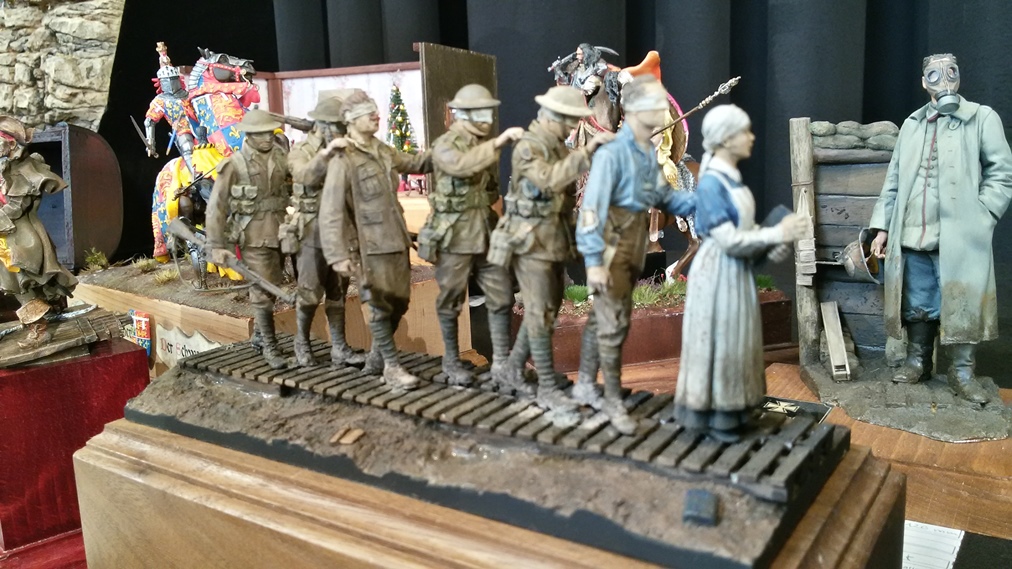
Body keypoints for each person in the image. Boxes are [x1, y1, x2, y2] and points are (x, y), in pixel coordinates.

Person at [869, 53, 1012, 404]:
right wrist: (883, 227)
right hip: (912, 234)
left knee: (962, 301)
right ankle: (918, 362)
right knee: (918, 302)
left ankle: (962, 372)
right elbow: (893, 180)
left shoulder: (981, 118)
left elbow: (1002, 173)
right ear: (924, 81)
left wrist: (983, 216)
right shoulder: (912, 124)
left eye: (950, 72)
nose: (943, 80)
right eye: (934, 74)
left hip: (960, 237)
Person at [672, 105, 807, 443]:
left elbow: (744, 232)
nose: (751, 137)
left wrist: (777, 236)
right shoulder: (711, 185)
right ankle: (718, 415)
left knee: (737, 341)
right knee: (722, 341)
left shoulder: (729, 177)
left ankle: (734, 410)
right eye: (743, 132)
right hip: (718, 274)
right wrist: (777, 233)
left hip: (735, 273)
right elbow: (728, 240)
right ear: (725, 139)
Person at [574, 75, 695, 434]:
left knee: (607, 322)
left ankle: (585, 383)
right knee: (612, 327)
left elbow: (663, 196)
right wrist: (594, 263)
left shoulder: (643, 154)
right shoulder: (612, 155)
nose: (661, 118)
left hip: (630, 253)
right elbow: (590, 212)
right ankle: (611, 399)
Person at [488, 86, 613, 406]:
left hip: (552, 240)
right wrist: (587, 153)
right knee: (539, 311)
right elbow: (548, 180)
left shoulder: (556, 146)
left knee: (546, 310)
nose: (572, 127)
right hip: (530, 241)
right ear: (552, 116)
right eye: (569, 121)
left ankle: (512, 369)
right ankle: (545, 386)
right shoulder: (530, 147)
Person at [318, 89, 432, 390]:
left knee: (400, 303)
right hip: (368, 247)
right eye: (368, 113)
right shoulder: (343, 159)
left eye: (375, 111)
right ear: (351, 120)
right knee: (380, 305)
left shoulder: (382, 150)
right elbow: (330, 211)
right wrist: (337, 254)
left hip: (396, 241)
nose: (376, 116)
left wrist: (451, 149)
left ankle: (375, 359)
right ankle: (391, 367)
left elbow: (416, 163)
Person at [419, 84, 523, 385]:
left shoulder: (483, 146)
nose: (489, 119)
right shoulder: (446, 145)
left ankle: (501, 362)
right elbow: (462, 166)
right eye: (483, 113)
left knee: (501, 293)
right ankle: (451, 361)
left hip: (484, 232)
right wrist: (500, 142)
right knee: (451, 298)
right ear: (464, 115)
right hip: (454, 234)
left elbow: (489, 191)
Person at [206, 110, 292, 370]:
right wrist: (216, 245)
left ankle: (258, 336)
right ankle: (270, 345)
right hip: (252, 234)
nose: (267, 137)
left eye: (270, 132)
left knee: (273, 284)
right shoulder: (235, 164)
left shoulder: (281, 156)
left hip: (280, 231)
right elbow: (216, 206)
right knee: (262, 289)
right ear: (249, 135)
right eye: (261, 133)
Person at [286, 90, 366, 368]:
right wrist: (327, 154)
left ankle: (339, 348)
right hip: (311, 231)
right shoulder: (302, 151)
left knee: (338, 290)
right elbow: (305, 175)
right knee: (309, 291)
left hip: (341, 231)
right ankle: (301, 342)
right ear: (322, 125)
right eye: (337, 126)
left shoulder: (346, 151)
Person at [0, 116, 77, 348]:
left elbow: (16, 208)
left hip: (20, 238)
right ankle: (47, 315)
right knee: (21, 282)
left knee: (22, 283)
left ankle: (39, 329)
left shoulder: (23, 172)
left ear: (10, 144)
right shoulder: (3, 170)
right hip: (6, 239)